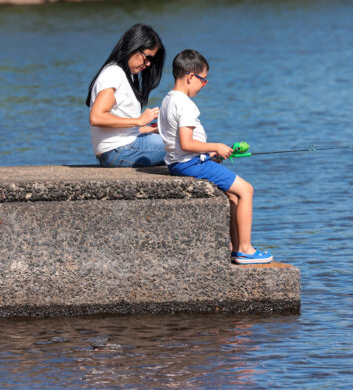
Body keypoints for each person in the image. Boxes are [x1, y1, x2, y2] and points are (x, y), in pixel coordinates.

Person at [158, 49, 273, 265]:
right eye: (203, 79)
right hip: (190, 163)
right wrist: (217, 147)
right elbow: (186, 143)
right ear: (190, 76)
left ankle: (237, 248)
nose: (204, 85)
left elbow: (178, 145)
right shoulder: (185, 104)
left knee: (234, 195)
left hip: (180, 162)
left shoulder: (167, 100)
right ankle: (246, 249)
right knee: (247, 190)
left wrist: (208, 153)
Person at [87, 23, 167, 167]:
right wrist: (139, 121)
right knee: (183, 145)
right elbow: (96, 117)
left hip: (120, 148)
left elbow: (121, 128)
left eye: (152, 60)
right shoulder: (114, 73)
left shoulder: (127, 75)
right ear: (134, 47)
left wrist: (150, 130)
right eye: (147, 57)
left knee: (179, 139)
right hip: (117, 151)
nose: (148, 64)